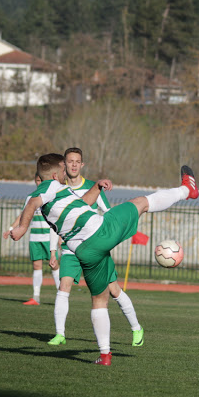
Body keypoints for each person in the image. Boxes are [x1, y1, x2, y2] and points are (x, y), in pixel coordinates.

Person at [10, 153, 199, 365]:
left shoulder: (57, 193)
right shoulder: (50, 186)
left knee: (99, 300)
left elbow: (81, 205)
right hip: (100, 232)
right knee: (141, 203)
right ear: (55, 174)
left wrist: (96, 187)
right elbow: (34, 201)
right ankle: (187, 190)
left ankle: (105, 355)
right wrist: (22, 227)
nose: (66, 173)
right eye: (63, 170)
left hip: (85, 251)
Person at [46, 147, 144, 348]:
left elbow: (108, 213)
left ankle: (136, 328)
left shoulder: (93, 186)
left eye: (77, 161)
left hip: (95, 247)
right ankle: (59, 334)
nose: (73, 165)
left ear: (82, 165)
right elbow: (54, 222)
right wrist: (53, 250)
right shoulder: (58, 188)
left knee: (114, 290)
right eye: (70, 161)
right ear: (64, 165)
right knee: (63, 287)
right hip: (71, 249)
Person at [4, 173, 60, 305]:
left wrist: (60, 236)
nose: (39, 183)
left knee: (54, 264)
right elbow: (24, 214)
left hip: (48, 236)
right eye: (37, 180)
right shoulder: (30, 197)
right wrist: (11, 228)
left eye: (42, 180)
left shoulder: (51, 195)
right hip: (34, 236)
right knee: (36, 265)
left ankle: (61, 294)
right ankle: (36, 296)